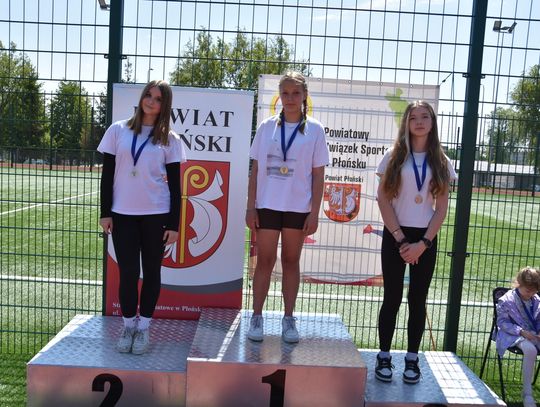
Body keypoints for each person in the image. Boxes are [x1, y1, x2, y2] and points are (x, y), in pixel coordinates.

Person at [98, 80, 187, 354]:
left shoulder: (170, 139)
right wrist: (105, 213)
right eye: (148, 95)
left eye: (158, 98)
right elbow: (107, 175)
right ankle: (128, 326)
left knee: (151, 272)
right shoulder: (117, 130)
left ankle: (144, 327)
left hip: (156, 215)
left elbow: (176, 187)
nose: (151, 101)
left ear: (164, 105)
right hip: (122, 215)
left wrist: (174, 224)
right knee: (127, 273)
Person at [374, 100, 457, 383]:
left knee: (418, 299)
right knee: (392, 297)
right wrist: (400, 239)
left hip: (425, 239)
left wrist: (423, 243)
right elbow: (382, 199)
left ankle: (412, 359)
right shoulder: (394, 156)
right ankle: (384, 355)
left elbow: (441, 208)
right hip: (395, 235)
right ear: (406, 123)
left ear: (432, 123)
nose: (419, 122)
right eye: (413, 118)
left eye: (424, 117)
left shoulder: (441, 161)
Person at [245, 71, 330, 343]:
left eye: (296, 93)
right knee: (265, 261)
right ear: (279, 95)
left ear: (304, 96)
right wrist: (250, 207)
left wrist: (314, 213)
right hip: (267, 205)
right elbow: (255, 169)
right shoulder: (266, 127)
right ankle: (257, 316)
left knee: (291, 261)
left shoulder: (315, 130)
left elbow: (318, 175)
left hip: (297, 207)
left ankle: (289, 319)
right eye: (285, 93)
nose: (290, 98)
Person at [496, 266, 540, 407]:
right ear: (519, 284)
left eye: (535, 291)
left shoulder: (536, 299)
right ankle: (527, 393)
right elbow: (502, 323)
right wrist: (521, 331)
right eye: (528, 290)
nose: (531, 294)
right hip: (512, 334)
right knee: (530, 350)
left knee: (532, 347)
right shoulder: (506, 300)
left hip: (533, 333)